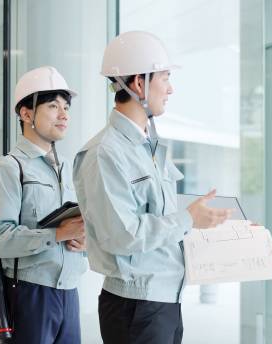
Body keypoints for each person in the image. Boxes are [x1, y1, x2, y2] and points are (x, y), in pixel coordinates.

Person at [73, 31, 231, 344]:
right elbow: (122, 234)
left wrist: (204, 221)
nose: (170, 88)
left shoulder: (150, 147)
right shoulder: (105, 153)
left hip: (165, 300)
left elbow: (164, 218)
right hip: (136, 306)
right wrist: (187, 219)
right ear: (139, 84)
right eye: (165, 77)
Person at [0, 66, 88, 344]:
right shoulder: (8, 169)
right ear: (26, 114)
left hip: (69, 294)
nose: (64, 114)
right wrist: (58, 234)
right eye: (53, 106)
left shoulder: (68, 169)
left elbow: (75, 228)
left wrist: (82, 242)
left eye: (66, 107)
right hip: (29, 295)